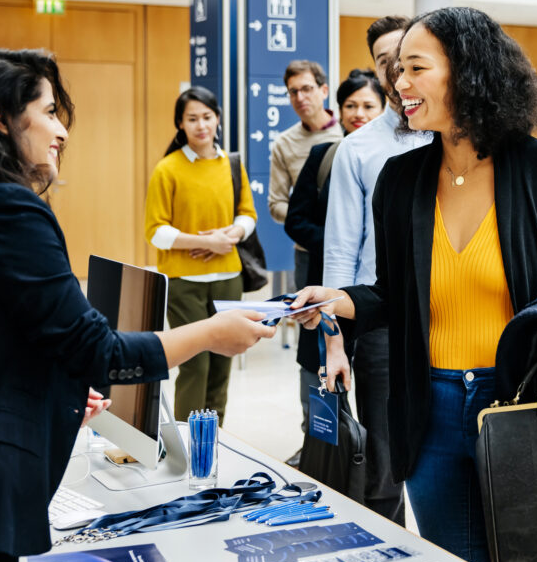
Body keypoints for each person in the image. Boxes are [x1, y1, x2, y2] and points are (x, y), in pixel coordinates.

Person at [0, 47, 274, 562]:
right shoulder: (7, 209)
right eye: (50, 112)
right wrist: (209, 333)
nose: (62, 131)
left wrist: (46, 387)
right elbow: (100, 353)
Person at [291, 7, 537, 562]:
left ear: (467, 73)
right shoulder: (400, 181)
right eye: (397, 70)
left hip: (524, 401)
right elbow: (393, 294)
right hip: (430, 407)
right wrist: (343, 302)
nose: (399, 83)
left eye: (416, 68)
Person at [321, 16, 434, 525]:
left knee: (444, 454)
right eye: (387, 63)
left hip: (448, 317)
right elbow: (340, 254)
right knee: (384, 466)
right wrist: (334, 340)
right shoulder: (359, 148)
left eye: (410, 61)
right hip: (381, 324)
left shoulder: (449, 138)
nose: (398, 72)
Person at [145, 86, 259, 423]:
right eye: (192, 119)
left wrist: (232, 234)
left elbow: (248, 215)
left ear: (217, 119)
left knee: (223, 363)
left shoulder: (232, 164)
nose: (201, 125)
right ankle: (187, 439)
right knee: (196, 363)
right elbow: (156, 231)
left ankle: (214, 438)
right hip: (185, 282)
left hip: (228, 279)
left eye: (207, 117)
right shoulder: (168, 169)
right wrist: (206, 243)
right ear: (180, 124)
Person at [284, 69, 384, 437]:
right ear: (339, 111)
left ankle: (367, 471)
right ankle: (322, 451)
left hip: (374, 296)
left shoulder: (398, 161)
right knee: (319, 380)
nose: (359, 113)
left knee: (378, 403)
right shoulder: (324, 155)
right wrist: (341, 242)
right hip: (326, 284)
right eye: (350, 105)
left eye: (368, 105)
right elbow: (296, 220)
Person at [267, 60, 344, 290]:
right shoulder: (284, 143)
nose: (300, 97)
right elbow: (276, 204)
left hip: (351, 246)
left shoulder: (348, 132)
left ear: (324, 90)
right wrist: (305, 218)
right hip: (308, 250)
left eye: (307, 89)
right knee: (310, 321)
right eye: (293, 92)